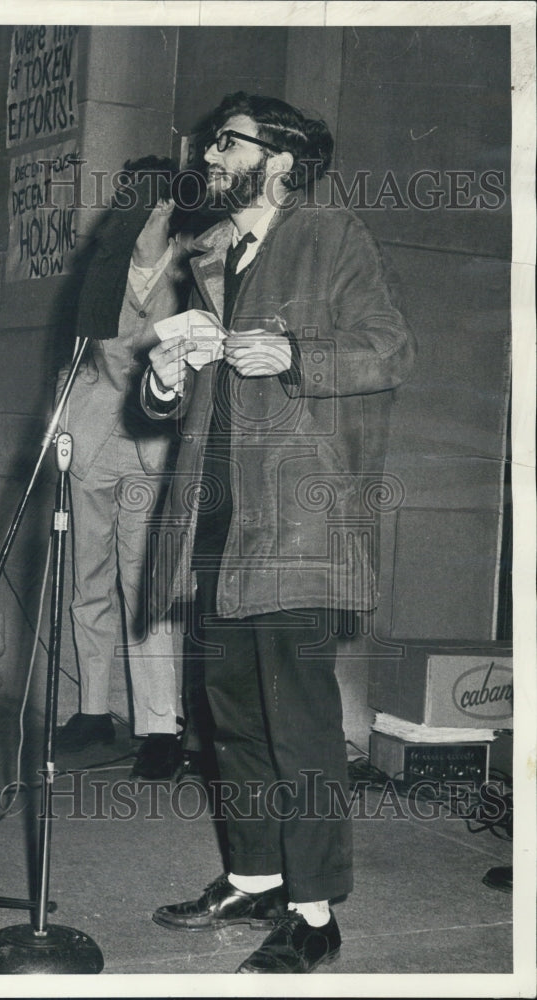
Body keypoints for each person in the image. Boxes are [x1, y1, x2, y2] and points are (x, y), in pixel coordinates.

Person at [141, 93, 416, 972]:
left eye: (227, 141)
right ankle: (253, 877)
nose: (208, 154)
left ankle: (314, 913)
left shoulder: (332, 235)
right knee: (230, 719)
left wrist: (297, 357)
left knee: (297, 724)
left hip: (299, 522)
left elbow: (391, 349)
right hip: (220, 523)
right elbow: (185, 402)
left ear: (284, 159)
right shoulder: (214, 252)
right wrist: (166, 375)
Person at [55, 157, 192, 780]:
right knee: (88, 578)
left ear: (168, 209)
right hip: (93, 436)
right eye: (131, 198)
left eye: (150, 202)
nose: (138, 214)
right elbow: (77, 354)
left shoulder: (194, 270)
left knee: (144, 585)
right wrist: (62, 426)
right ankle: (89, 709)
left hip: (154, 444)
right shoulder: (103, 268)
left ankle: (160, 724)